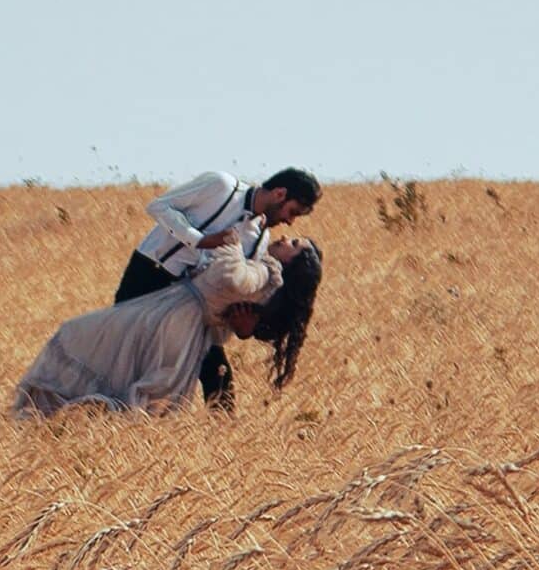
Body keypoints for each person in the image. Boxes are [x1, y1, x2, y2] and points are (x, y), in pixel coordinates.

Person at [16, 238, 323, 417]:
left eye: (294, 244)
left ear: (295, 262)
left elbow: (231, 278)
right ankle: (85, 418)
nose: (285, 239)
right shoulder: (268, 274)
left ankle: (77, 412)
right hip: (182, 318)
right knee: (146, 383)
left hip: (178, 317)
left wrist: (229, 241)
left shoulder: (268, 272)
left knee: (131, 375)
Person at [114, 168, 321, 410]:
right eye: (293, 211)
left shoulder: (259, 240)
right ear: (279, 193)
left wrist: (242, 327)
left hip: (189, 302)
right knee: (121, 363)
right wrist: (198, 239)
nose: (290, 221)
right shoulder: (221, 186)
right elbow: (158, 207)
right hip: (147, 277)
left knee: (219, 376)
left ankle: (222, 440)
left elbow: (228, 289)